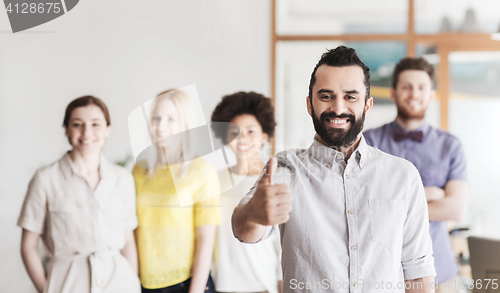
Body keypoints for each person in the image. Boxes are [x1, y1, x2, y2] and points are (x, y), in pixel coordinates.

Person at [232, 46, 437, 293]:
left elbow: (417, 271)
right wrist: (253, 214)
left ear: (367, 105)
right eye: (326, 96)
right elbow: (243, 230)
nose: (338, 108)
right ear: (310, 105)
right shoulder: (284, 168)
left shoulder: (403, 176)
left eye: (350, 96)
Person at [364, 57, 467, 293]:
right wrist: (429, 194)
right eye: (406, 87)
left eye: (421, 87)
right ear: (393, 93)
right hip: (384, 275)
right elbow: (366, 207)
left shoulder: (450, 146)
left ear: (432, 94)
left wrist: (394, 205)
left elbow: (456, 209)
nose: (414, 94)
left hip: (441, 274)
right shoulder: (369, 142)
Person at [18, 96, 140, 293]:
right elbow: (28, 245)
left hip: (118, 283)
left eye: (95, 124)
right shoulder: (45, 179)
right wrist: (46, 288)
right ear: (66, 128)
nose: (87, 133)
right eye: (77, 124)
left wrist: (132, 283)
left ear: (107, 129)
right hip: (66, 283)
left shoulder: (123, 178)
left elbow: (128, 241)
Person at [132, 89, 221, 293]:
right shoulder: (139, 170)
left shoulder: (202, 172)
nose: (161, 127)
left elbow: (206, 241)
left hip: (188, 284)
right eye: (156, 118)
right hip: (144, 283)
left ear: (185, 124)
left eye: (171, 119)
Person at [211, 92, 282, 293]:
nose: (242, 138)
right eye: (234, 132)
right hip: (222, 285)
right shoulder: (213, 180)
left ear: (264, 136)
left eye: (251, 131)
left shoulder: (274, 178)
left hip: (262, 285)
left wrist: (281, 281)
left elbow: (284, 241)